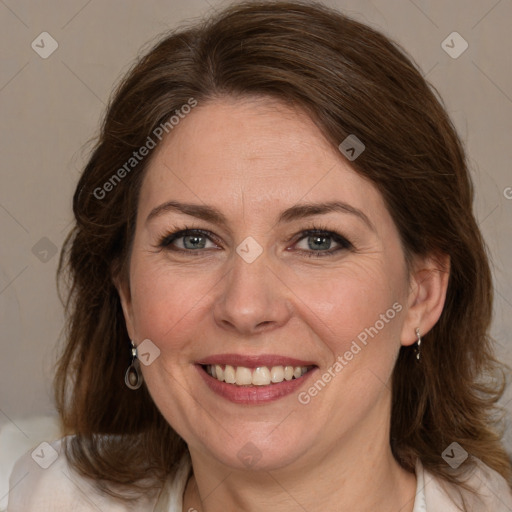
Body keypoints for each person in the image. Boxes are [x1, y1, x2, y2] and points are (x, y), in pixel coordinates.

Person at [7, 1, 512, 510]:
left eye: (319, 240)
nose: (246, 308)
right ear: (128, 297)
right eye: (193, 239)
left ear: (421, 295)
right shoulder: (42, 494)